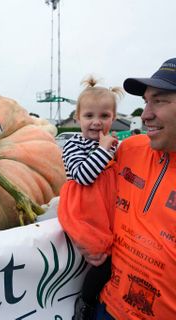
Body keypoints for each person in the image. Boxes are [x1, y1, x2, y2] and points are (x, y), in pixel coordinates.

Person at [77, 58, 176, 320]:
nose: (145, 114)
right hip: (107, 307)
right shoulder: (128, 149)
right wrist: (81, 230)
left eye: (160, 100)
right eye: (146, 101)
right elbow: (82, 189)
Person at [57, 76, 123, 320]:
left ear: (113, 119)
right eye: (89, 116)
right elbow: (84, 176)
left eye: (104, 116)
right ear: (77, 118)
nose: (96, 122)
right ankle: (86, 301)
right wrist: (103, 150)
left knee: (117, 254)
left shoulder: (114, 145)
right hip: (85, 208)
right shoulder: (74, 145)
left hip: (107, 207)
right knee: (101, 257)